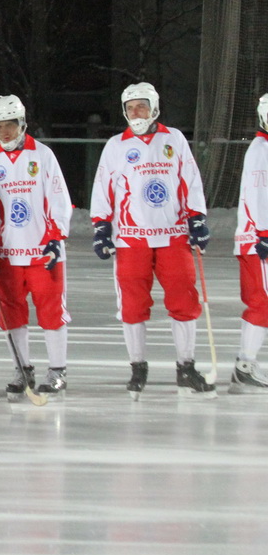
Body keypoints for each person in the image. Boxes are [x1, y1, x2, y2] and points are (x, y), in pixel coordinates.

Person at [89, 82, 212, 399]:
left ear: (154, 108)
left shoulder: (174, 139)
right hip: (132, 240)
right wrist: (101, 226)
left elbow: (190, 180)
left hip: (173, 235)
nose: (135, 113)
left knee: (184, 301)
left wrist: (197, 217)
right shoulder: (116, 146)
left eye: (141, 106)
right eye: (130, 108)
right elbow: (103, 188)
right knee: (132, 306)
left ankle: (186, 368)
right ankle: (137, 367)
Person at [0, 95, 73, 401]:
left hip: (43, 252)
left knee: (51, 312)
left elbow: (59, 198)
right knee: (11, 313)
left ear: (22, 124)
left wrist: (56, 236)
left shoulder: (42, 155)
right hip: (8, 254)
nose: (4, 132)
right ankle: (22, 368)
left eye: (10, 125)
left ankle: (57, 371)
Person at [233, 93, 268, 394]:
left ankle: (246, 365)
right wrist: (264, 234)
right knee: (262, 302)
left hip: (258, 239)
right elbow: (258, 196)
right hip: (257, 241)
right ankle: (245, 367)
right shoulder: (261, 150)